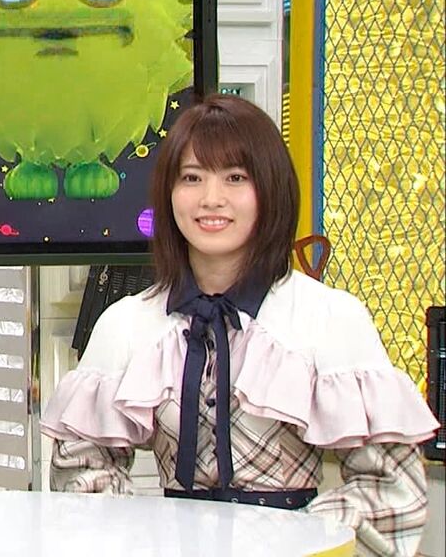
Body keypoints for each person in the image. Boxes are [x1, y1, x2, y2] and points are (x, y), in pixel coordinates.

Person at [41, 95, 438, 556]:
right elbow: (81, 471)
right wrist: (152, 539)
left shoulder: (331, 318)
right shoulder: (127, 323)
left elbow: (390, 488)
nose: (211, 199)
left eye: (235, 178)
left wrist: (298, 541)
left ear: (270, 189)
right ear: (168, 194)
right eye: (192, 178)